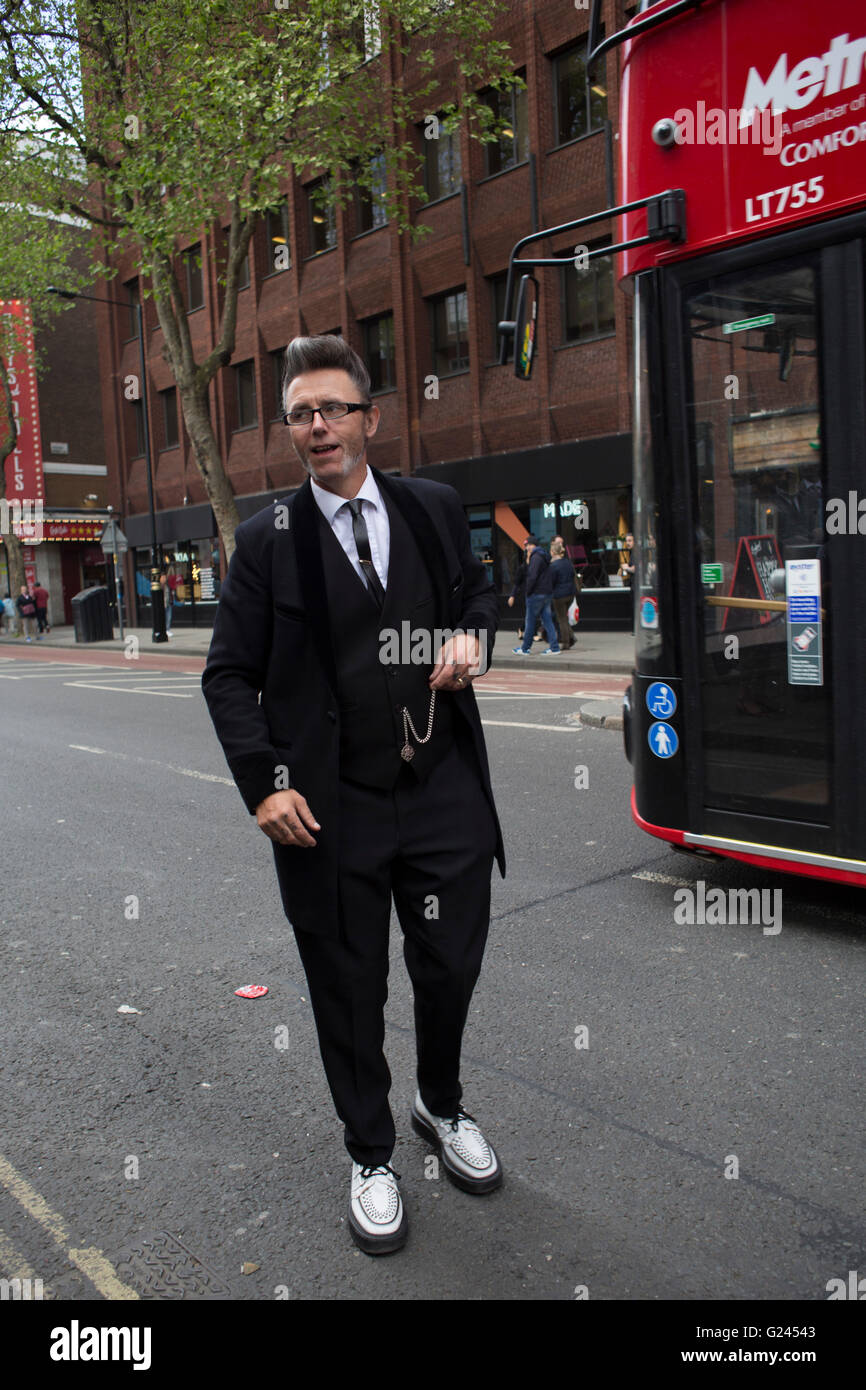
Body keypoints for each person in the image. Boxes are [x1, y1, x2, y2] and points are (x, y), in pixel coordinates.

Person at [202, 335, 506, 1256]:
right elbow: (227, 677)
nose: (319, 427)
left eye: (334, 408)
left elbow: (478, 596)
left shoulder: (433, 510)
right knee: (349, 987)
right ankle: (370, 1153)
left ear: (370, 418)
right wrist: (264, 787)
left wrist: (472, 638)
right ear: (290, 431)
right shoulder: (266, 544)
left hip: (441, 783)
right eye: (302, 414)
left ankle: (439, 1105)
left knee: (450, 963)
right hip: (331, 808)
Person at [511, 535, 559, 655]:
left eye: (528, 545)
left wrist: (528, 592)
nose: (527, 548)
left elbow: (532, 576)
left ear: (534, 545)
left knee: (530, 621)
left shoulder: (536, 557)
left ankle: (525, 648)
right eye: (526, 546)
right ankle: (554, 647)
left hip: (536, 594)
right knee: (547, 621)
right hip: (546, 593)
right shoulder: (543, 556)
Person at [548, 539, 578, 650]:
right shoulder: (567, 562)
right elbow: (572, 576)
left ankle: (566, 642)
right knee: (564, 618)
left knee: (561, 620)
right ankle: (571, 637)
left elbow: (551, 582)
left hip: (559, 595)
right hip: (570, 593)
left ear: (553, 552)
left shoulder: (553, 566)